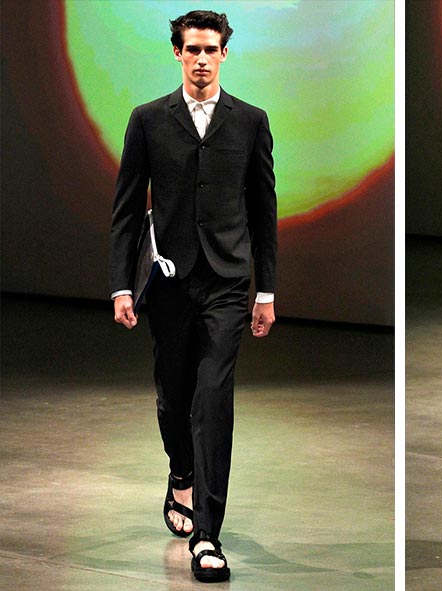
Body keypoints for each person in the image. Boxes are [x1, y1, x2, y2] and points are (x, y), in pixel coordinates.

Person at [109, 10, 277, 583]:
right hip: (168, 281)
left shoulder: (250, 121)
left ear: (224, 53)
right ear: (177, 53)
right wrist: (122, 284)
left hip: (226, 283)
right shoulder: (148, 119)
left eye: (211, 49)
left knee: (212, 399)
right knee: (171, 395)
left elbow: (263, 210)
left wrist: (265, 290)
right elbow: (127, 208)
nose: (202, 58)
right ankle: (180, 470)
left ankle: (208, 534)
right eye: (192, 49)